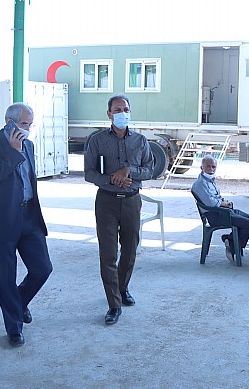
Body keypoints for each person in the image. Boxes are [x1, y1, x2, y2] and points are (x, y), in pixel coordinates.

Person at [0, 103, 53, 348]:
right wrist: (13, 151)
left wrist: (20, 148)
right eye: (24, 124)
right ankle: (13, 328)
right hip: (2, 220)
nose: (28, 129)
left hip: (29, 215)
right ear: (9, 122)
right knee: (5, 277)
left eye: (30, 124)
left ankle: (18, 303)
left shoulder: (29, 145)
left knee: (42, 268)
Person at [84, 94, 154, 325]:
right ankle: (114, 304)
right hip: (107, 202)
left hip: (132, 201)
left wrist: (129, 170)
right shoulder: (97, 140)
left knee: (130, 249)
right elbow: (89, 173)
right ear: (109, 114)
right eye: (117, 110)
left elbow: (150, 170)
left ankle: (122, 288)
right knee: (108, 254)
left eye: (125, 109)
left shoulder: (140, 141)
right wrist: (112, 179)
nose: (122, 113)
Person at [191, 155, 249, 263]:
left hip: (223, 211)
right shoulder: (200, 183)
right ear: (201, 167)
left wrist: (225, 202)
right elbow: (210, 203)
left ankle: (229, 240)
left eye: (213, 167)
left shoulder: (210, 180)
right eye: (208, 166)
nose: (211, 169)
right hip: (215, 215)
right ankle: (233, 247)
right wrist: (224, 204)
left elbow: (216, 197)